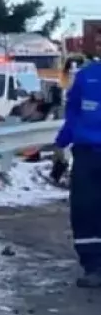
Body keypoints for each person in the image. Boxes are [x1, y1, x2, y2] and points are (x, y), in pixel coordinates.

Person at [55, 58, 101, 287]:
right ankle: (93, 265)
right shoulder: (86, 76)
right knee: (85, 209)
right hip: (86, 154)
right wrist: (63, 140)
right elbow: (73, 111)